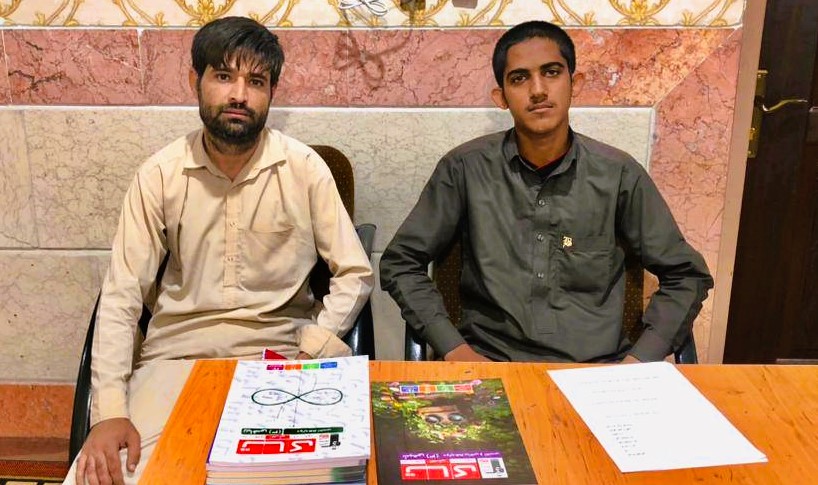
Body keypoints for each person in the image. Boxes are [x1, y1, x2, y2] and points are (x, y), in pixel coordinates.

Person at [67, 16, 373, 485]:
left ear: (272, 92)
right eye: (224, 76)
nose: (239, 95)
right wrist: (108, 411)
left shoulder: (304, 169)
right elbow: (122, 295)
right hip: (173, 364)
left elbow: (354, 272)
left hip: (279, 363)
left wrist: (314, 346)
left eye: (256, 82)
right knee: (108, 477)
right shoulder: (160, 174)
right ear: (196, 81)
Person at [380, 20, 713, 364]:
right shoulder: (464, 169)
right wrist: (454, 349)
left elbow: (686, 276)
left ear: (574, 84)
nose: (538, 90)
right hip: (490, 365)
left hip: (596, 370)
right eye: (519, 78)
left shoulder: (618, 175)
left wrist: (639, 361)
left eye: (551, 72)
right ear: (501, 97)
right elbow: (400, 262)